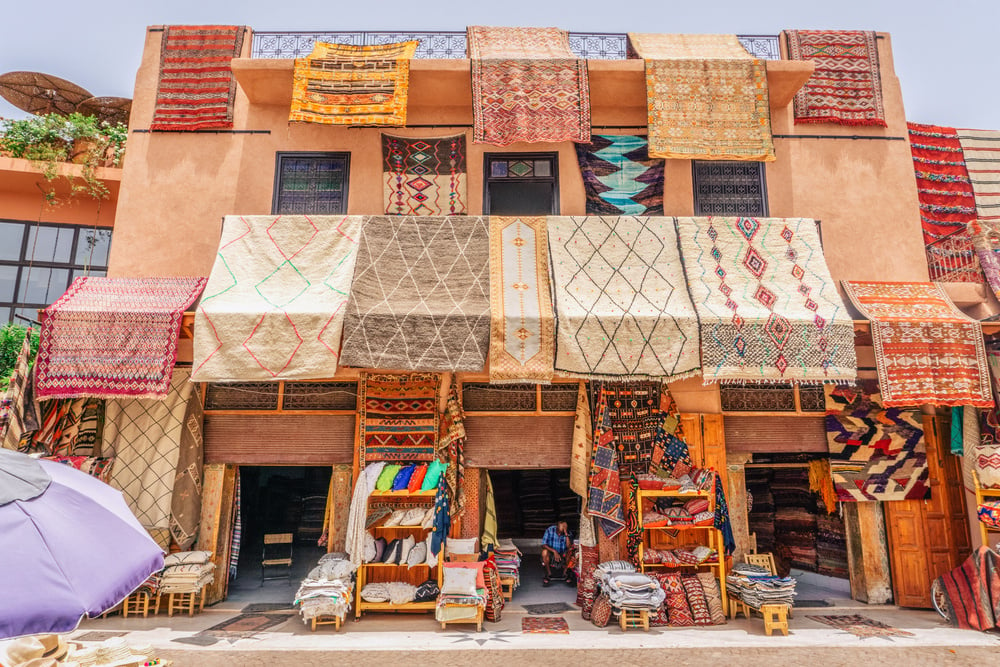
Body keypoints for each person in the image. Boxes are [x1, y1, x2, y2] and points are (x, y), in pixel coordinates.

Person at [541, 520, 576, 586]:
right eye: (560, 531)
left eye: (563, 531)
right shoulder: (550, 530)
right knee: (544, 552)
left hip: (563, 553)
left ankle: (565, 573)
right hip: (552, 552)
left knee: (571, 552)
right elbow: (543, 544)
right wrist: (554, 551)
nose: (560, 533)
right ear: (556, 527)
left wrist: (566, 534)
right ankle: (548, 573)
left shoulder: (568, 533)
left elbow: (569, 547)